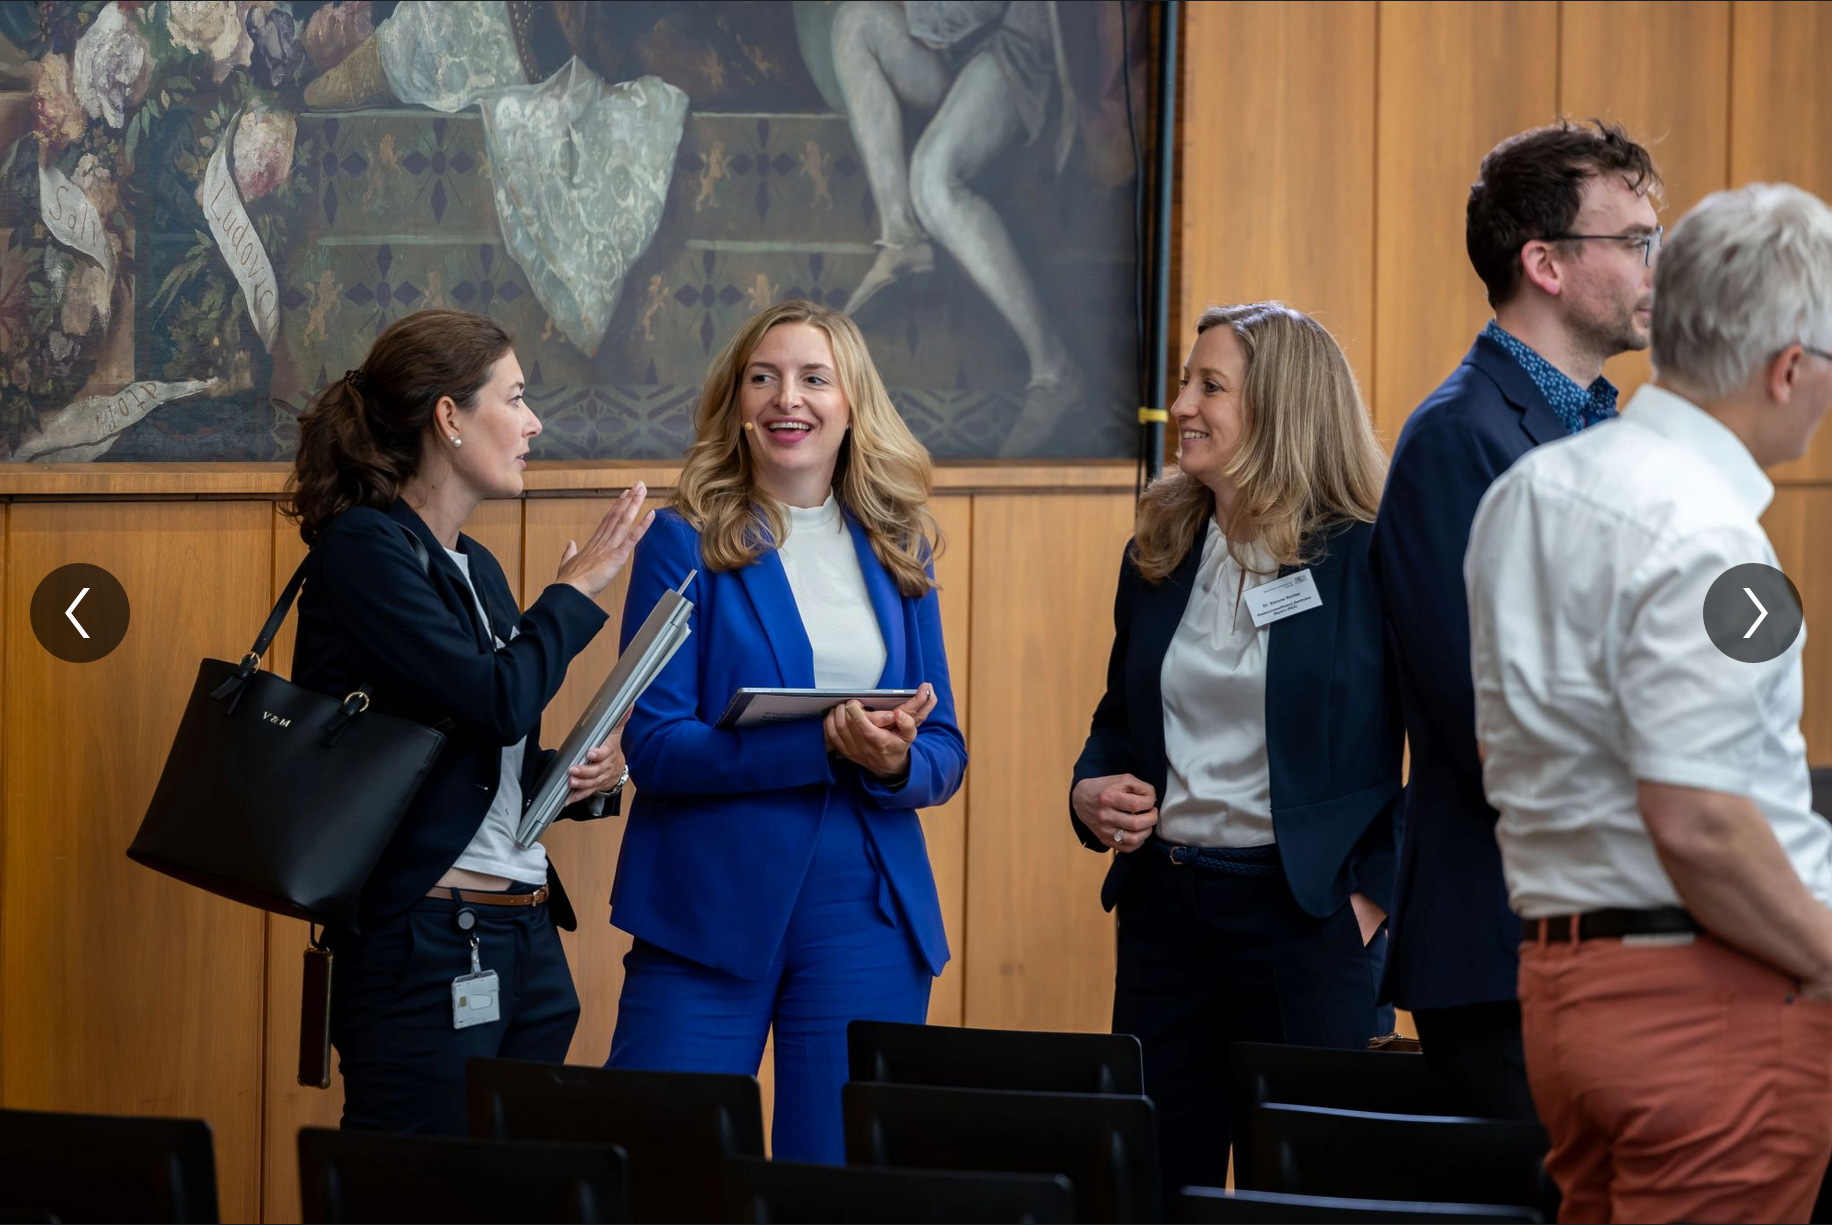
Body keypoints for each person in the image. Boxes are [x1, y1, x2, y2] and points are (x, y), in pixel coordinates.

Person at [1466, 182, 1832, 1225]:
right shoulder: (1716, 537)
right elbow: (1700, 814)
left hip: (1562, 992)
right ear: (1787, 369)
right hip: (1712, 1000)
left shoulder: (1525, 493)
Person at [605, 300, 965, 1165]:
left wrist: (896, 762)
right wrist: (821, 744)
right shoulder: (681, 542)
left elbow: (945, 748)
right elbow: (653, 745)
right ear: (737, 402)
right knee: (662, 1170)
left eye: (813, 379)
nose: (786, 398)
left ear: (852, 404)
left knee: (836, 1188)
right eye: (762, 378)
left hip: (865, 907)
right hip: (706, 904)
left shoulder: (898, 544)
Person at [285, 308, 653, 1133]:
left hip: (524, 931)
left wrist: (579, 777)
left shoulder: (476, 566)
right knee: (415, 1187)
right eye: (515, 398)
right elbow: (496, 698)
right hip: (429, 941)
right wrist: (573, 593)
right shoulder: (364, 549)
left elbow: (480, 751)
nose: (534, 422)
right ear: (449, 417)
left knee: (513, 1186)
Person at [1070, 302, 1403, 1197]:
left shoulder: (1368, 554)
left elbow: (1445, 744)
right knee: (1151, 1189)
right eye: (1187, 381)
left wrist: (1368, 901)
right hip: (1165, 915)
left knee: (1299, 1195)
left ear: (1282, 407)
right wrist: (1088, 789)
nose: (1181, 404)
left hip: (1306, 921)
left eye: (1208, 386)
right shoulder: (1160, 546)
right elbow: (1119, 719)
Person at [1370, 119, 1661, 1119]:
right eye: (1634, 240)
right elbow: (1491, 725)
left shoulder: (1605, 430)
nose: (1654, 264)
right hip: (1511, 949)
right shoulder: (1459, 438)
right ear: (1544, 263)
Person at [830, 0, 1085, 453]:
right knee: (855, 22)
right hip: (950, 45)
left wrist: (918, 12)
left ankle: (1054, 367)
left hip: (1016, 42)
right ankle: (901, 237)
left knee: (932, 181)